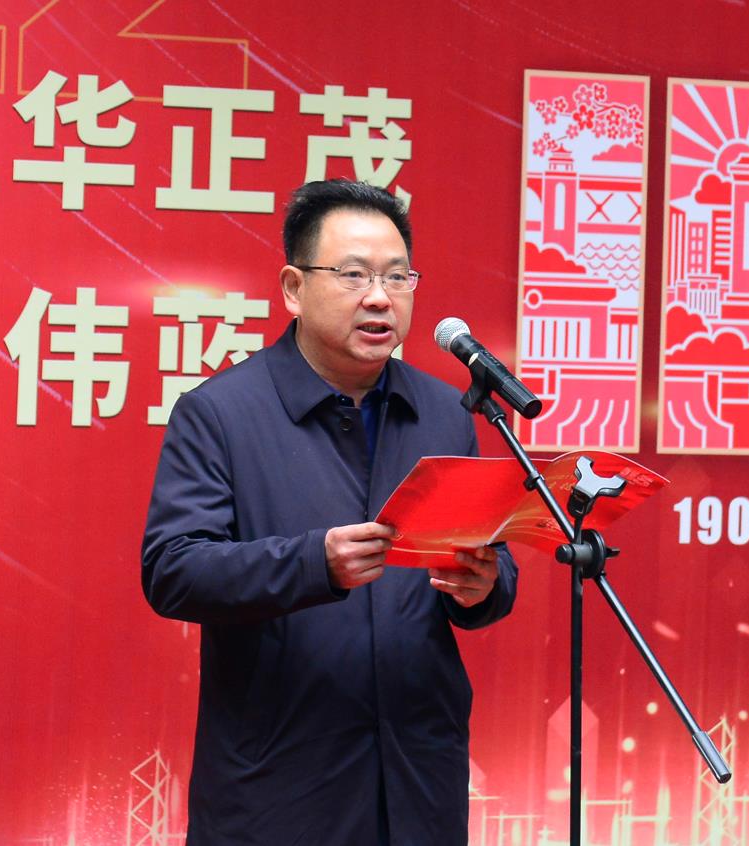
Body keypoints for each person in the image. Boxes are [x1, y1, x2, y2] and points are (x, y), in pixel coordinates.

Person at [141, 179, 518, 845]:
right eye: (353, 275)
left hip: (417, 785)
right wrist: (313, 563)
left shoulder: (443, 413)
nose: (379, 297)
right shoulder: (221, 414)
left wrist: (482, 587)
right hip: (280, 790)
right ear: (293, 288)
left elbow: (492, 567)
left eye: (397, 277)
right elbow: (173, 570)